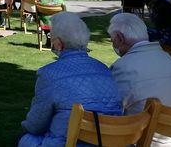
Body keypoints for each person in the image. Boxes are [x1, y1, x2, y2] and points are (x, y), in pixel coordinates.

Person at [18, 12, 122, 147]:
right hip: (109, 141)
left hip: (69, 143)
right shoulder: (104, 70)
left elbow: (36, 125)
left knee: (25, 138)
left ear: (58, 43)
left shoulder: (49, 74)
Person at [108, 13, 171, 147]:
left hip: (146, 142)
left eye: (112, 40)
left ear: (119, 38)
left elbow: (111, 111)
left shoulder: (122, 68)